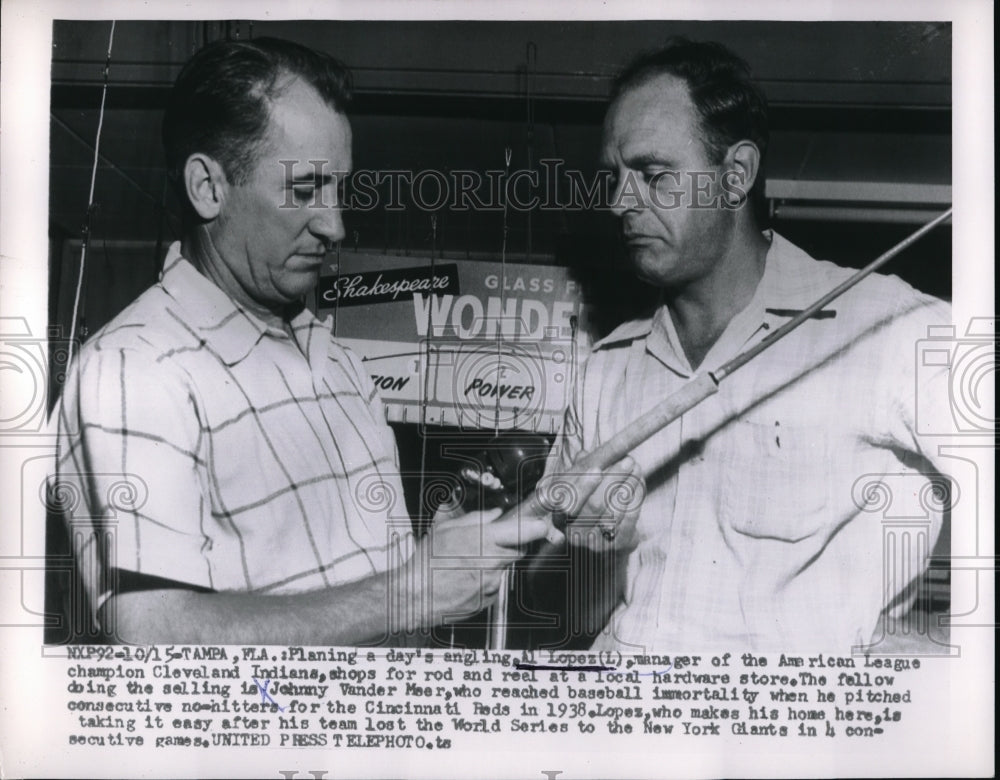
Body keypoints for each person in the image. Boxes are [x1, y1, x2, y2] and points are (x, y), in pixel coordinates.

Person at [54, 37, 639, 646]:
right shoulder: (134, 369)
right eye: (306, 189)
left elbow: (363, 588)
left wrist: (438, 552)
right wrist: (413, 591)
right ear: (208, 187)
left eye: (339, 190)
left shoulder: (339, 364)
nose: (335, 225)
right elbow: (151, 636)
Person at [548, 39, 954, 652]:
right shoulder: (605, 372)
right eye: (616, 178)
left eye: (654, 175)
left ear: (735, 175)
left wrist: (948, 649)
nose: (619, 202)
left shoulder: (888, 326)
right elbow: (569, 614)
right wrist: (599, 555)